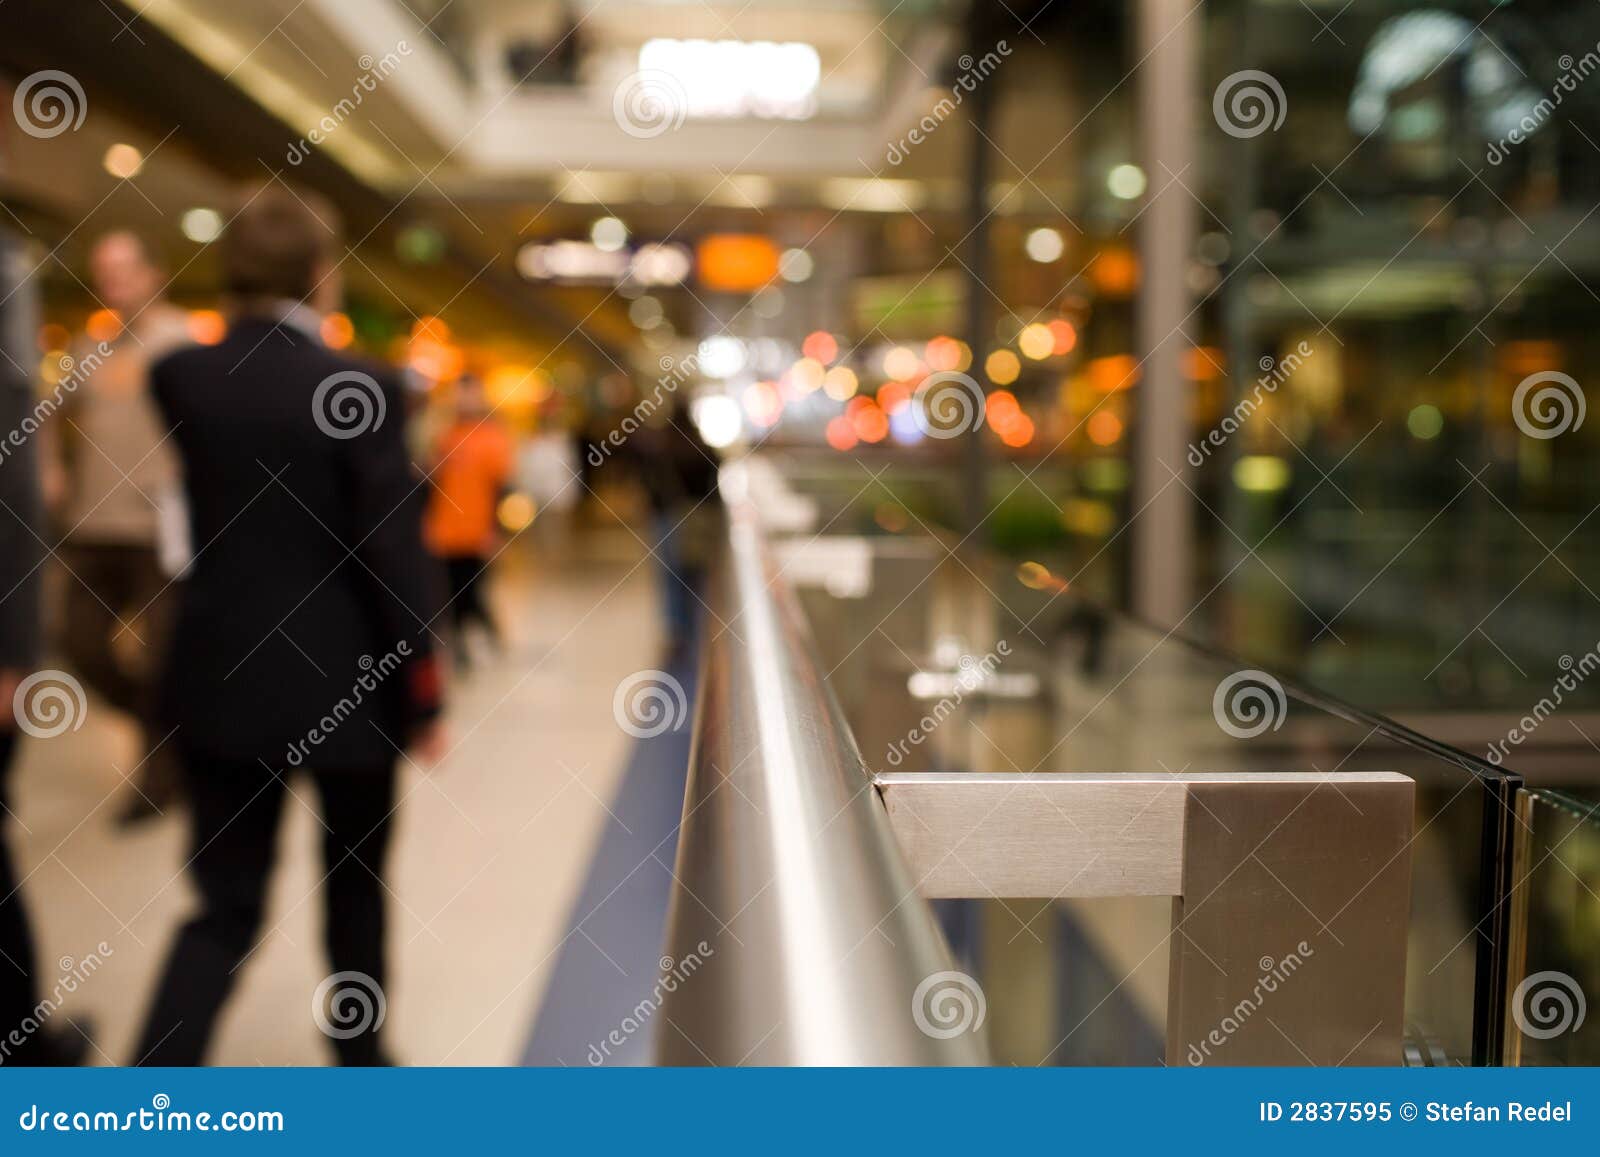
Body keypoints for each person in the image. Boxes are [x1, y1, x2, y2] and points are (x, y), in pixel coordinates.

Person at [132, 184, 445, 1066]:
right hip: (352, 678)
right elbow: (391, 552)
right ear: (321, 274)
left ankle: (144, 1089)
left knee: (223, 904)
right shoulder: (368, 387)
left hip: (221, 670)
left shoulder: (181, 377)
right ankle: (360, 1057)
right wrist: (423, 684)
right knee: (356, 885)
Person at [43, 232, 191, 826]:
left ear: (154, 274)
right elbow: (48, 413)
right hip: (93, 523)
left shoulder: (179, 341)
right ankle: (172, 725)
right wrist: (52, 467)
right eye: (105, 272)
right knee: (79, 644)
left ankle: (159, 778)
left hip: (156, 528)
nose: (114, 283)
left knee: (160, 656)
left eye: (125, 270)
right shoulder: (91, 345)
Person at [422, 376, 513, 669]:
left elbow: (502, 487)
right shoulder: (444, 435)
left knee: (471, 588)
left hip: (477, 530)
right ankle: (464, 642)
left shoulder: (493, 438)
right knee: (451, 589)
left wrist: (496, 530)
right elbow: (429, 480)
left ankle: (479, 633)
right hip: (444, 530)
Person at [628, 399, 720, 661]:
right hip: (698, 521)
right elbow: (714, 487)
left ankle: (675, 631)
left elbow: (649, 485)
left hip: (667, 520)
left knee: (669, 577)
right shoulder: (703, 448)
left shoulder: (662, 449)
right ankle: (699, 630)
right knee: (697, 577)